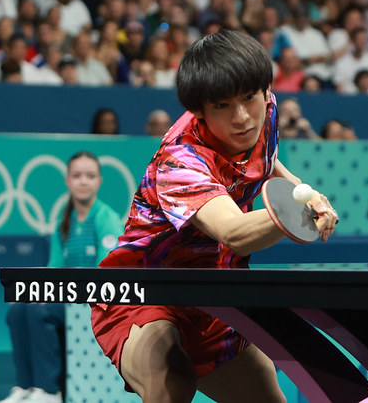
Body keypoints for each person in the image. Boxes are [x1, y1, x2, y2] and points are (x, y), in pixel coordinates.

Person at [91, 30, 338, 401]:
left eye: (248, 98)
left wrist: (302, 190)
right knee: (171, 381)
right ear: (200, 110)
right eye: (222, 106)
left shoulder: (266, 110)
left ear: (264, 90)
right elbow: (234, 232)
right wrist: (296, 212)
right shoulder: (181, 160)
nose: (241, 118)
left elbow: (264, 161)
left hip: (214, 290)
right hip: (144, 289)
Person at [0, 151, 122, 403]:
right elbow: (54, 268)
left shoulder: (106, 219)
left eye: (90, 176)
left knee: (38, 311)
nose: (83, 181)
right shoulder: (62, 223)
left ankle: (49, 390)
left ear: (99, 181)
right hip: (70, 301)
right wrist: (30, 292)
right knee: (18, 310)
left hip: (98, 303)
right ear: (67, 181)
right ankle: (25, 387)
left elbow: (105, 272)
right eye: (77, 176)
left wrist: (55, 292)